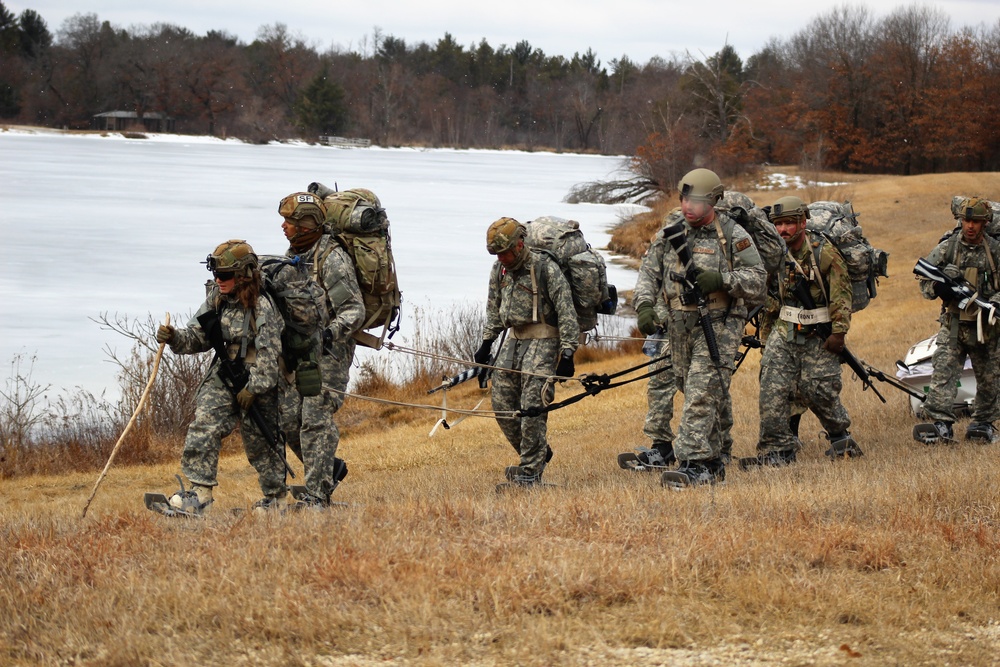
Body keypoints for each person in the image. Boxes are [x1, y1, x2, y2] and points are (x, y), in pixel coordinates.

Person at [634, 168, 767, 488]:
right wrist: (645, 306)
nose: (688, 206)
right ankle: (719, 454)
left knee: (700, 391)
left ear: (713, 202)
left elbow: (758, 280)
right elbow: (648, 272)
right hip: (679, 324)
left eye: (695, 201)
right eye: (683, 199)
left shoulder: (733, 235)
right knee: (695, 386)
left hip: (719, 323)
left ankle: (696, 463)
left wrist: (724, 281)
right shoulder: (671, 232)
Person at [154, 240, 288, 515]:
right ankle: (198, 494)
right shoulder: (217, 298)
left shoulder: (263, 306)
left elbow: (270, 353)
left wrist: (254, 388)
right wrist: (174, 337)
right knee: (205, 424)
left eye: (225, 275)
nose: (219, 280)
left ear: (243, 275)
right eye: (216, 274)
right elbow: (198, 335)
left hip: (260, 378)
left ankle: (276, 499)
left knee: (262, 441)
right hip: (226, 373)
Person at [740, 196, 861, 468]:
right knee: (772, 389)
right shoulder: (773, 255)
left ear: (803, 223)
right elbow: (766, 294)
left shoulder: (823, 252)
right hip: (784, 331)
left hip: (819, 333)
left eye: (789, 224)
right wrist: (767, 332)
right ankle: (776, 451)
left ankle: (841, 437)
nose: (783, 230)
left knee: (819, 390)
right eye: (778, 224)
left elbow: (841, 296)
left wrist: (838, 334)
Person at [277, 191, 366, 506]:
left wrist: (329, 334)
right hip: (299, 351)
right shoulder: (294, 255)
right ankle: (329, 468)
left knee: (315, 419)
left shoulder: (331, 258)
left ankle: (317, 495)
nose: (284, 227)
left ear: (307, 225)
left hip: (330, 353)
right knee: (288, 419)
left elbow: (354, 311)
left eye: (290, 221)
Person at [477, 217, 580, 486]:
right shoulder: (498, 271)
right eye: (496, 254)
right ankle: (536, 453)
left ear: (520, 244)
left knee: (533, 406)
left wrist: (567, 353)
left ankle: (531, 471)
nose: (502, 258)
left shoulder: (545, 268)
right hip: (514, 339)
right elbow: (494, 310)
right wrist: (486, 343)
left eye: (505, 252)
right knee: (501, 404)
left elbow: (566, 310)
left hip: (544, 338)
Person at [914, 196, 1000, 443]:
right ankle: (941, 425)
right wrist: (940, 289)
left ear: (985, 223)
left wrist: (993, 302)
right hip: (953, 326)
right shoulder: (947, 248)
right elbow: (925, 279)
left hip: (987, 328)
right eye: (966, 220)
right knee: (943, 374)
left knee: (990, 378)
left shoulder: (995, 251)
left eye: (976, 221)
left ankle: (984, 424)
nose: (970, 226)